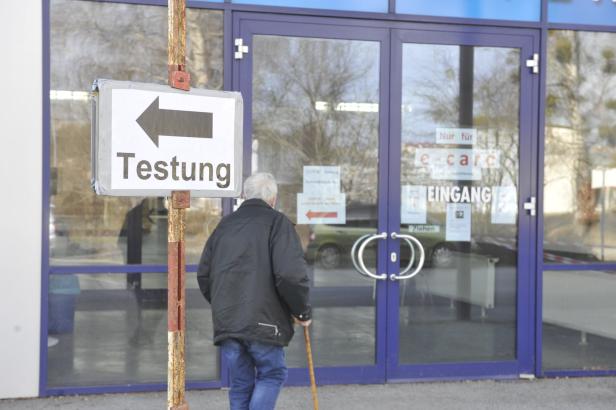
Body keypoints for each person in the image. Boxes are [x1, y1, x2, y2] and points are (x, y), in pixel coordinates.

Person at [197, 172, 312, 410]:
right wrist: (301, 311)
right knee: (271, 375)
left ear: (243, 196)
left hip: (228, 320)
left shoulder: (224, 226)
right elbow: (290, 275)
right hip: (265, 320)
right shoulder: (278, 223)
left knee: (241, 383)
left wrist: (223, 304)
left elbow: (204, 275)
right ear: (273, 199)